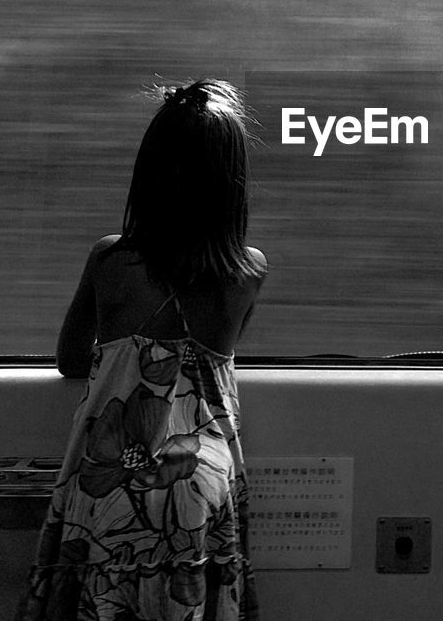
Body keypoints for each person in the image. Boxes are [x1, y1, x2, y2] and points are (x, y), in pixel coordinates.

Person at [15, 79, 267, 621]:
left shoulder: (110, 261)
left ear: (147, 175)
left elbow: (71, 359)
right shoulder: (248, 271)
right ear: (232, 185)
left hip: (110, 479)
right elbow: (216, 365)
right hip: (203, 477)